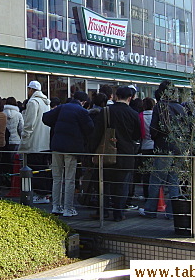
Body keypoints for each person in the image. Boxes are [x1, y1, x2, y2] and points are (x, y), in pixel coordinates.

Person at [90, 86, 141, 221]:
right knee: (122, 185)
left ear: (116, 96)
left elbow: (96, 134)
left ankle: (103, 211)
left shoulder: (106, 111)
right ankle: (119, 213)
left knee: (104, 183)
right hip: (126, 154)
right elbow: (137, 135)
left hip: (106, 153)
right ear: (130, 98)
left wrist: (91, 151)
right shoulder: (134, 114)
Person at [42, 91, 94, 217]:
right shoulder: (82, 111)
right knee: (70, 179)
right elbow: (90, 128)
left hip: (56, 145)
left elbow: (45, 118)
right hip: (72, 148)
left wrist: (58, 126)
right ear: (84, 102)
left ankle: (56, 206)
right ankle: (68, 208)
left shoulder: (62, 107)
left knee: (57, 177)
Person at [139, 80, 185, 218]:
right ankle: (172, 213)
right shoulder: (180, 107)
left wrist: (157, 138)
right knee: (174, 180)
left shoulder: (160, 106)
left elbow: (154, 129)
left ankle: (150, 210)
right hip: (179, 147)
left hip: (163, 148)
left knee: (156, 179)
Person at [18, 81, 52, 204]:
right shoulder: (45, 102)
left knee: (34, 169)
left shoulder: (33, 102)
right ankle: (45, 194)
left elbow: (29, 124)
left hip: (34, 142)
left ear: (31, 90)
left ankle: (39, 194)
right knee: (43, 169)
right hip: (44, 142)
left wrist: (24, 137)